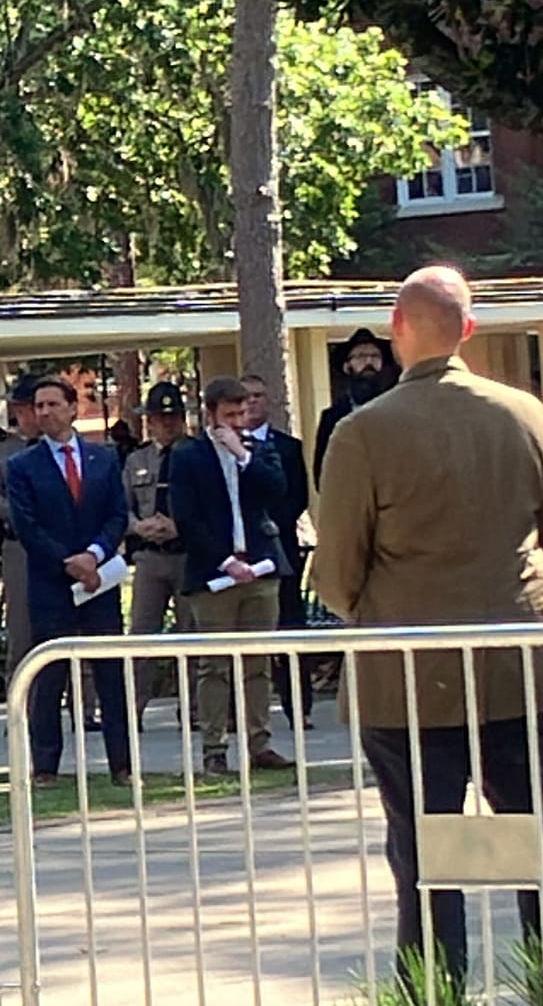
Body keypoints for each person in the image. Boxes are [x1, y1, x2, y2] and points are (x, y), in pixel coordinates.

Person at [314, 265, 543, 989]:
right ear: (469, 329)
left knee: (424, 856)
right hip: (518, 666)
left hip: (408, 677)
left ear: (398, 334)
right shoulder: (522, 411)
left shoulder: (363, 432)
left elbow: (336, 571)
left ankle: (435, 990)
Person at [5, 378, 133, 787]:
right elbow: (27, 526)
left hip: (99, 582)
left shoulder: (104, 458)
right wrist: (68, 562)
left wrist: (94, 555)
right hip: (51, 583)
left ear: (73, 408)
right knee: (50, 675)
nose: (44, 412)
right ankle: (45, 767)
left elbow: (117, 514)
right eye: (38, 406)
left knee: (110, 674)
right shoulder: (21, 466)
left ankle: (122, 764)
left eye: (52, 404)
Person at [166, 377, 295, 777]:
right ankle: (214, 748)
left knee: (258, 662)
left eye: (243, 413)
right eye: (230, 415)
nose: (238, 421)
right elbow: (187, 518)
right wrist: (225, 561)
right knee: (215, 665)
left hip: (262, 569)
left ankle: (260, 742)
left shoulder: (260, 449)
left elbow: (278, 492)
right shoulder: (188, 456)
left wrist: (243, 456)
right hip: (214, 575)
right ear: (210, 414)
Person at [240, 372, 316, 730]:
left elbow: (297, 496)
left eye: (258, 396)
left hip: (279, 548)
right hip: (237, 552)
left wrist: (268, 527)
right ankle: (237, 713)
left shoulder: (288, 447)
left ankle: (298, 707)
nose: (251, 402)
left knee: (289, 628)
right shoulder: (221, 446)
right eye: (245, 397)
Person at [122, 383, 193, 722]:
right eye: (159, 417)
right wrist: (138, 526)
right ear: (148, 421)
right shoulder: (137, 460)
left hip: (188, 555)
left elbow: (209, 507)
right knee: (142, 635)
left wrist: (183, 525)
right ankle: (133, 709)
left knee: (191, 634)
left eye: (173, 417)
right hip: (150, 557)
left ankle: (193, 709)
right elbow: (120, 508)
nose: (167, 424)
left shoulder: (196, 454)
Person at [0, 376, 41, 686]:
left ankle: (82, 708)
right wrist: (21, 514)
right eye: (23, 407)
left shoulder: (56, 448)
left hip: (61, 543)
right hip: (19, 546)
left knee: (72, 625)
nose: (28, 414)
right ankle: (20, 709)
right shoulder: (0, 453)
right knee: (21, 629)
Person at [313, 327, 392, 482]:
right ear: (347, 366)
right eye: (361, 356)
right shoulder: (332, 417)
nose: (369, 362)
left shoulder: (395, 410)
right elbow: (322, 475)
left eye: (375, 356)